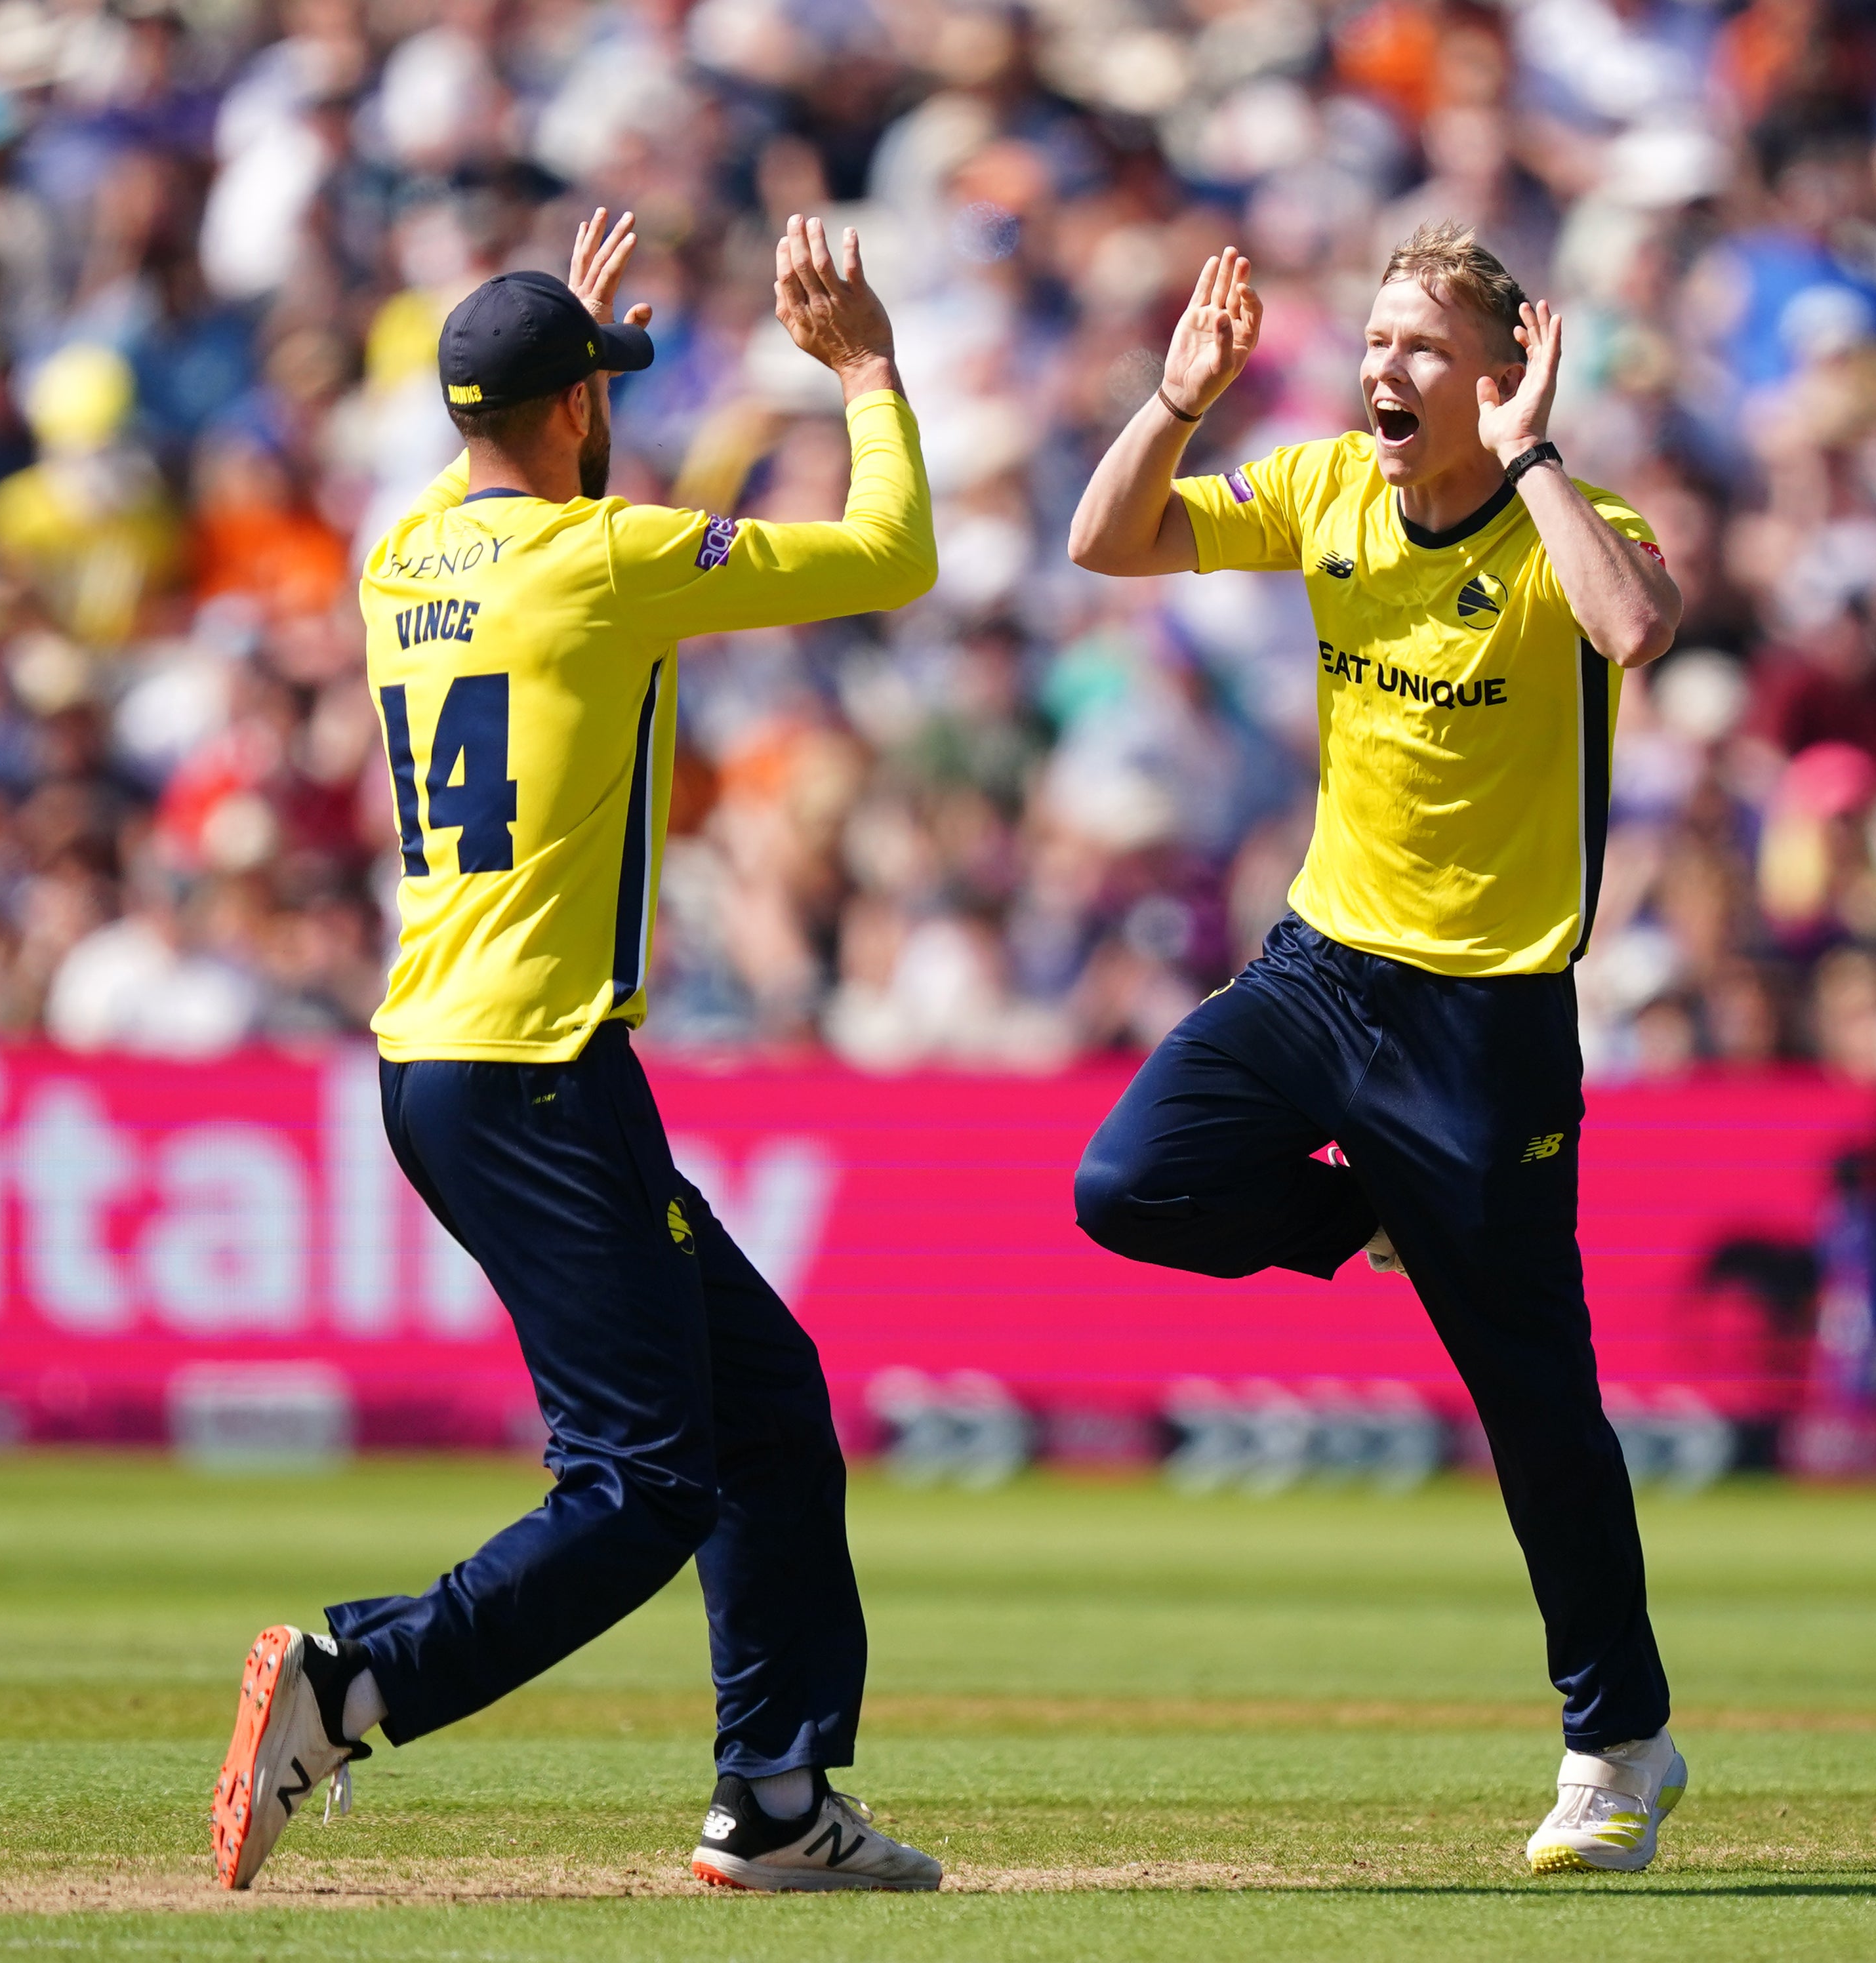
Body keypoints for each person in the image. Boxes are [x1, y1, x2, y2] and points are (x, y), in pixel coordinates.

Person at [211, 211, 943, 1894]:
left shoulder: (398, 554)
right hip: (536, 1066)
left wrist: (560, 360)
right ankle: (355, 1678)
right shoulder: (608, 557)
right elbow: (889, 552)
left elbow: (547, 505)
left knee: (762, 1404)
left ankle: (774, 1798)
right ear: (572, 416)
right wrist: (865, 372)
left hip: (449, 1063)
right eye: (597, 388)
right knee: (638, 1479)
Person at [1065, 222, 1690, 1875]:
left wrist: (1542, 448)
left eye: (1420, 348)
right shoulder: (1332, 487)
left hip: (1485, 1027)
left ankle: (1618, 1741)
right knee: (1126, 1184)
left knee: (1535, 1410)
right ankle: (1373, 1223)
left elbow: (1636, 629)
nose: (1379, 371)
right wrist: (1177, 397)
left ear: (1498, 374)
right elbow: (1105, 539)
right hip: (1322, 969)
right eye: (1373, 342)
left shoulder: (1569, 524)